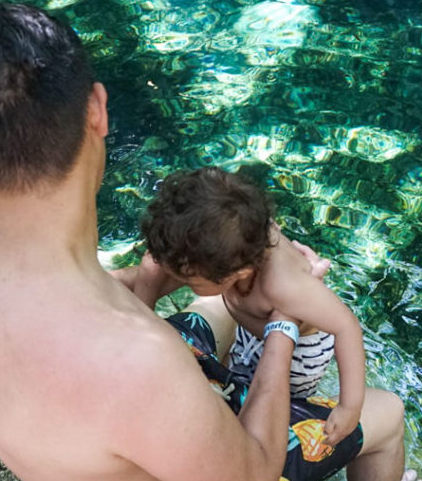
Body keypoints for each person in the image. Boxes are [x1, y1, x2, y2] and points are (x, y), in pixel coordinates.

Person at [0, 2, 422, 481]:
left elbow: (104, 308)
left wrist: (202, 275)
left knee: (219, 308)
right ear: (98, 111)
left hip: (104, 435)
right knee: (386, 413)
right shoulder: (138, 364)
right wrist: (283, 320)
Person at [136, 167, 366, 447]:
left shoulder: (284, 286)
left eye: (189, 280)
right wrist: (141, 318)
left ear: (239, 272)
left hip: (299, 354)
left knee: (265, 409)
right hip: (254, 327)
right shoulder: (241, 232)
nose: (175, 279)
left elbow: (346, 327)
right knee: (234, 371)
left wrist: (349, 408)